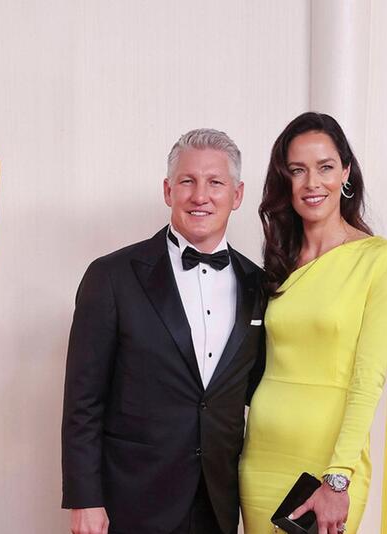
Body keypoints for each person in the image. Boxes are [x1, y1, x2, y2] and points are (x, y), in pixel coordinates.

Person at [61, 129, 266, 534]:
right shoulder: (111, 276)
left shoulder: (259, 285)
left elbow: (260, 390)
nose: (200, 195)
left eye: (215, 183)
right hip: (132, 500)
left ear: (238, 195)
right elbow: (83, 400)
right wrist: (86, 498)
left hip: (218, 502)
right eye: (188, 181)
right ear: (168, 190)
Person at [239, 112, 387, 534]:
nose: (311, 183)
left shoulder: (386, 260)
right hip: (261, 456)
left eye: (325, 167)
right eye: (297, 171)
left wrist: (338, 477)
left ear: (346, 173)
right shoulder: (277, 263)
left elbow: (369, 378)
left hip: (328, 465)